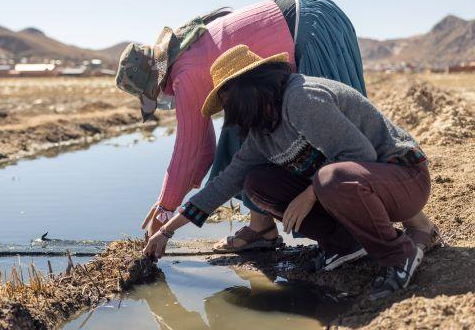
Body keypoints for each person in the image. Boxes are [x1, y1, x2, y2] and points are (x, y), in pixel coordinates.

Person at [116, 0, 439, 252]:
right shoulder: (196, 55)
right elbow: (228, 177)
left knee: (336, 156)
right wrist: (170, 229)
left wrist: (164, 209)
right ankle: (296, 233)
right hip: (301, 42)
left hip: (313, 32)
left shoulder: (296, 97)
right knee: (250, 159)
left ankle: (415, 226)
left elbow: (193, 152)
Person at [143, 45, 433, 300]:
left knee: (328, 179)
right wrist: (167, 232)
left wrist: (310, 195)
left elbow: (360, 156)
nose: (230, 112)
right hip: (359, 190)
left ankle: (399, 256)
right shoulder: (263, 132)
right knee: (258, 183)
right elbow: (224, 184)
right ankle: (344, 244)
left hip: (403, 178)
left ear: (249, 88)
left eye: (229, 101)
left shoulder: (301, 98)